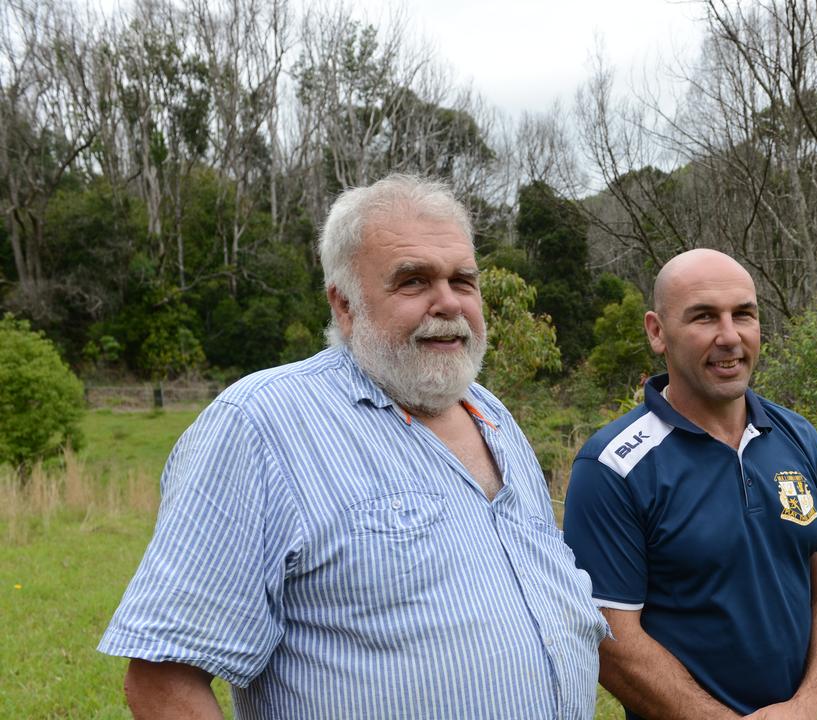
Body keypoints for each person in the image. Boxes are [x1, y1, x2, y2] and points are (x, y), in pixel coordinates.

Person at [99, 174, 605, 719]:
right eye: (413, 281)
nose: (448, 304)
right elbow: (162, 679)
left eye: (463, 280)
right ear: (345, 304)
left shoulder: (493, 415)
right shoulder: (262, 423)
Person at [563, 249, 817, 719]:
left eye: (744, 314)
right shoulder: (612, 468)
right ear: (657, 332)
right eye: (704, 317)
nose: (730, 336)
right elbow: (610, 636)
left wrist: (812, 701)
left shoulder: (799, 439)